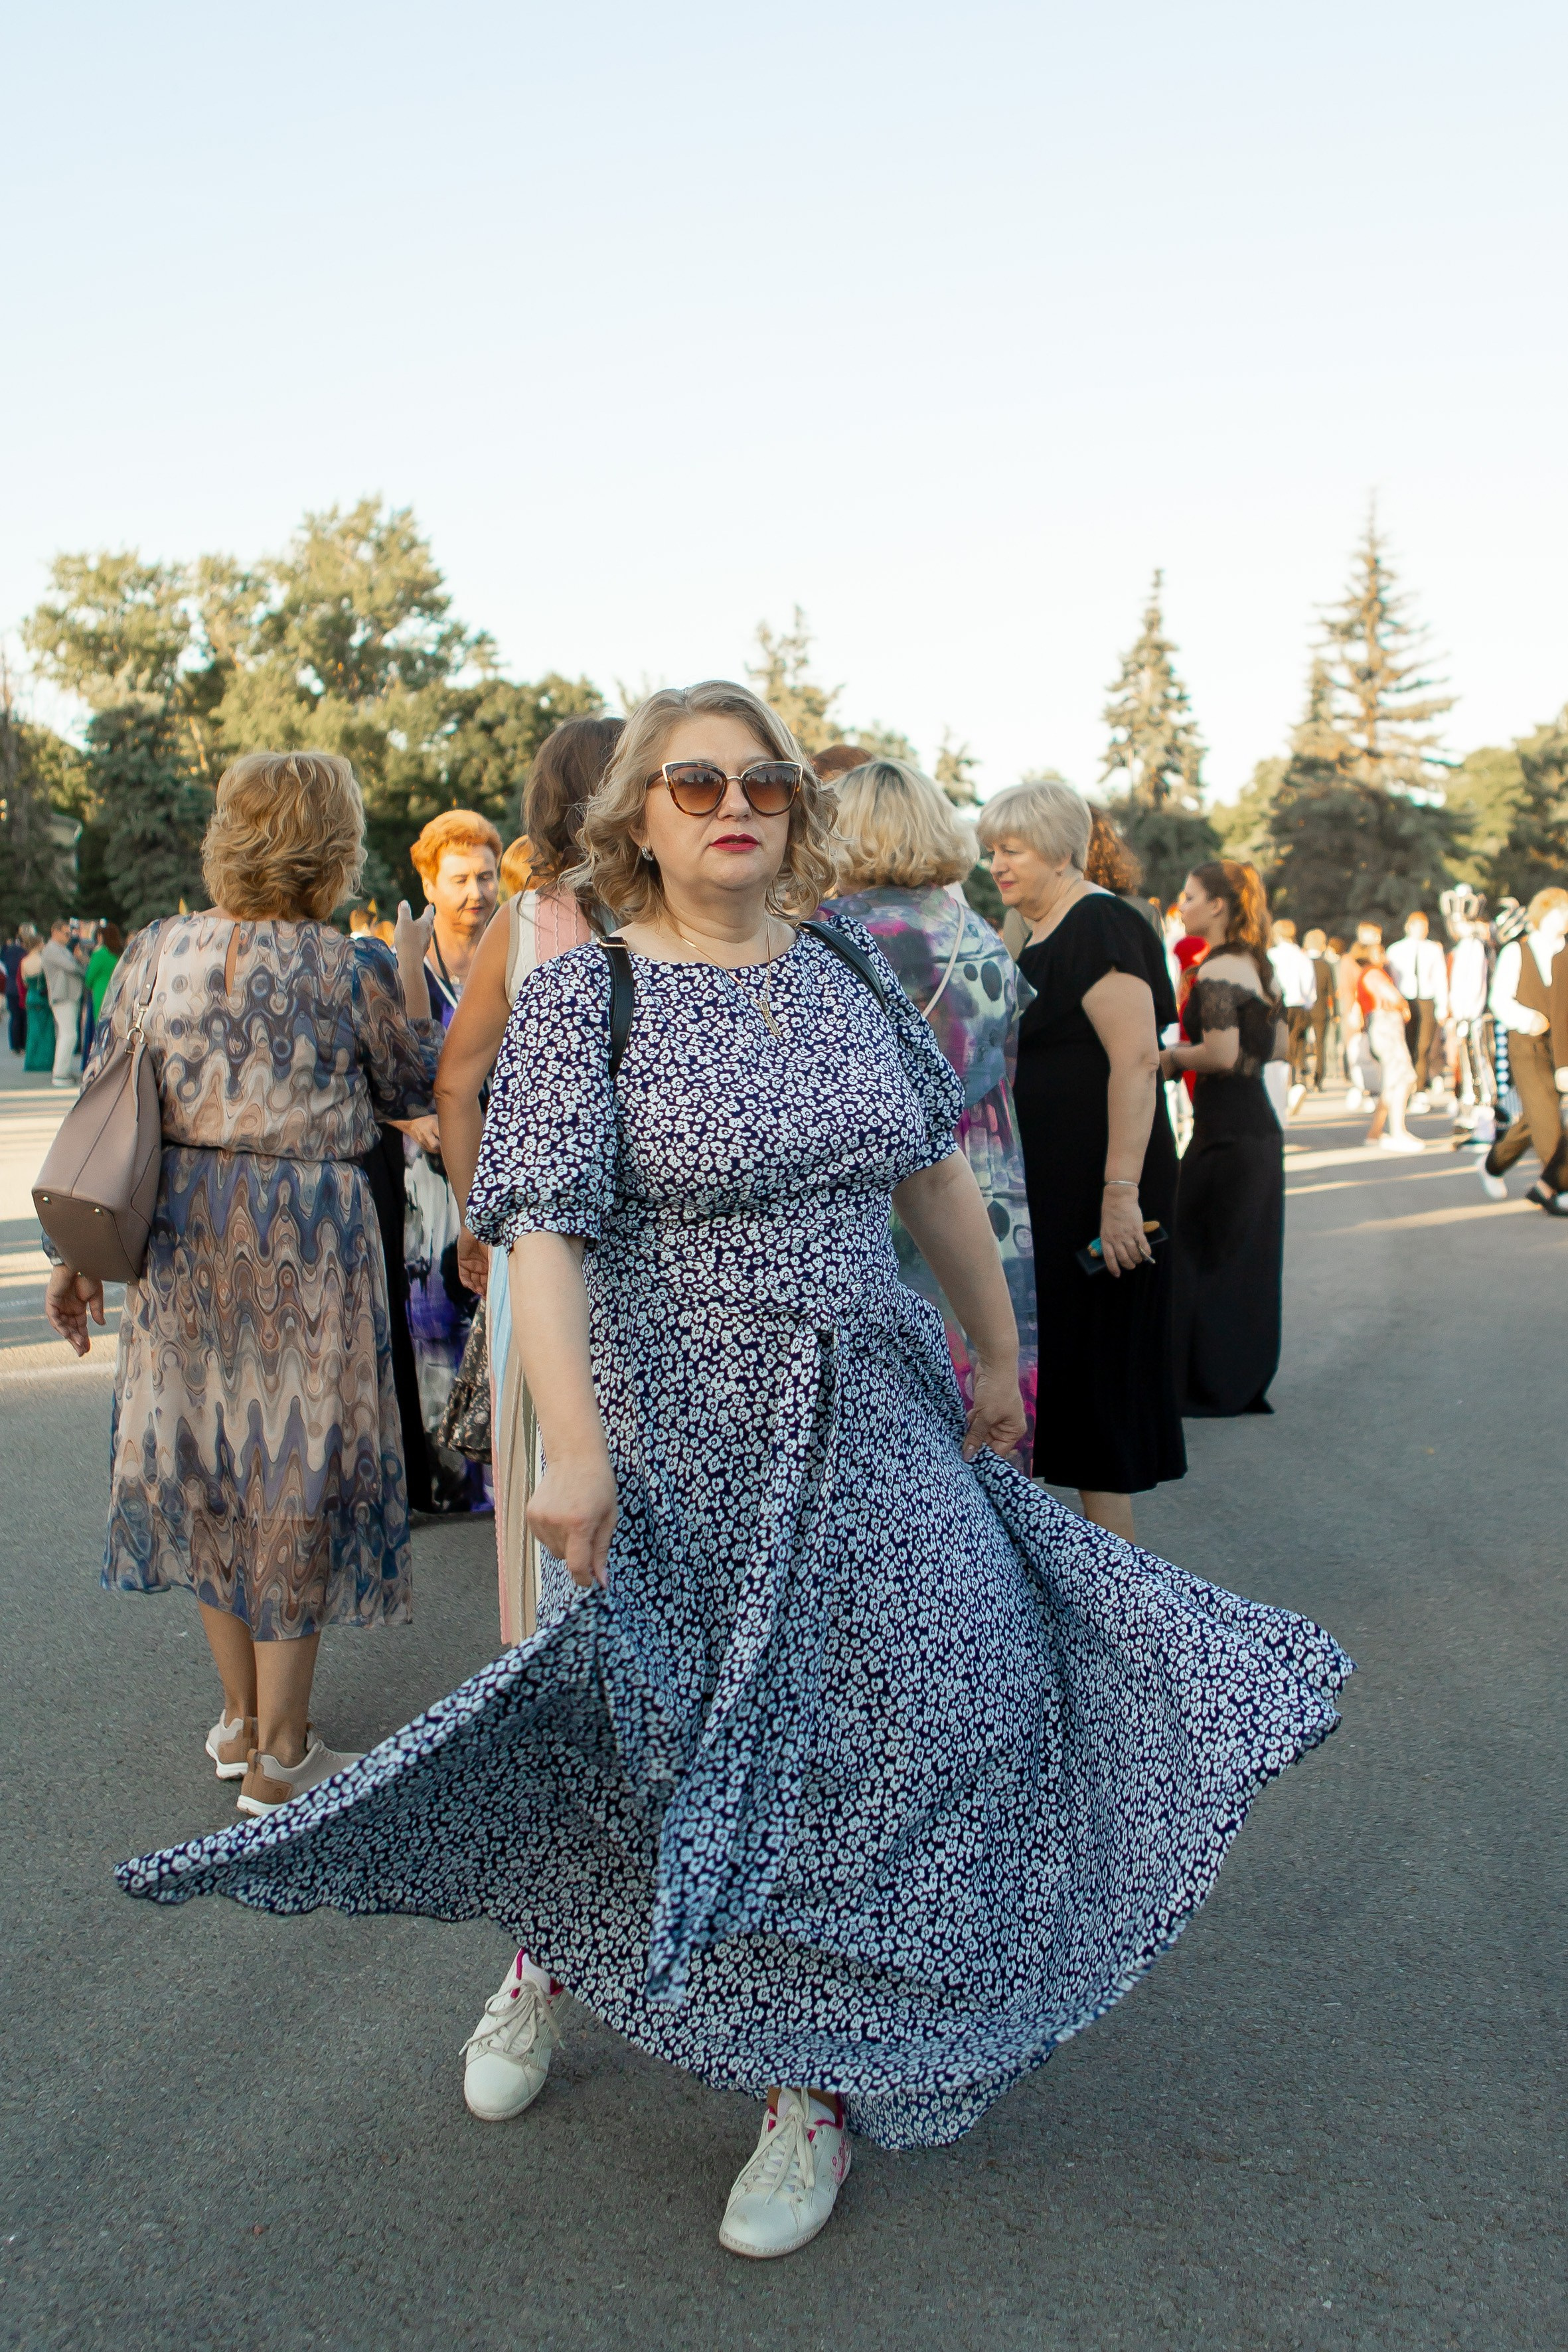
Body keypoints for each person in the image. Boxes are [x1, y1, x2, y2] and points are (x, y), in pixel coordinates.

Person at [118, 681, 1349, 2266]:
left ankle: (808, 2078)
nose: (731, 807)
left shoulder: (841, 963)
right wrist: (567, 1446)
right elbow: (543, 1232)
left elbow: (925, 1170)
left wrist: (988, 1357)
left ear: (795, 809)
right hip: (674, 1432)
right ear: (640, 813)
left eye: (759, 782)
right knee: (664, 1716)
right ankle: (555, 1952)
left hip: (871, 1409)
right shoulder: (594, 998)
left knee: (893, 1712)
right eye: (693, 784)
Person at [44, 750, 441, 1814]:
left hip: (181, 1231)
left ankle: (238, 1717)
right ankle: (283, 1749)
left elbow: (102, 1109)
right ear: (333, 847)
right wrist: (407, 966)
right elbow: (414, 1084)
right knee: (292, 1475)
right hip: (307, 1237)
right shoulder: (347, 966)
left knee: (213, 1465)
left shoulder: (152, 950)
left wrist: (74, 1263)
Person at [435, 715, 626, 1637]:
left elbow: (457, 1081)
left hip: (542, 1233)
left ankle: (546, 1658)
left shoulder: (524, 921)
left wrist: (479, 1213)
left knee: (548, 1452)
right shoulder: (691, 912)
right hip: (673, 1239)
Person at [980, 777, 1184, 1539]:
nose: (997, 864)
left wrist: (1119, 1192)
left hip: (1105, 1188)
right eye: (991, 850)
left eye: (1012, 850)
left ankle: (1121, 1599)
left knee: (1100, 1385)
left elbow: (1136, 1061)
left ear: (1061, 850)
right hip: (1054, 1188)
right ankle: (1088, 1581)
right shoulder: (1030, 928)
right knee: (1067, 1380)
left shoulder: (1102, 923)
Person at [827, 756, 1038, 1469]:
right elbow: (1005, 1071)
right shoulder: (982, 934)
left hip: (883, 1205)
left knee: (886, 1445)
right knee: (987, 1420)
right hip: (988, 1192)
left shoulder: (827, 940)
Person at [398, 809, 503, 1510]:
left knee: (499, 1313)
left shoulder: (515, 950)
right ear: (430, 883)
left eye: (487, 876)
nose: (476, 892)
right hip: (428, 1180)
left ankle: (501, 1464)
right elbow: (369, 1075)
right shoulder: (398, 961)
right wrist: (412, 1118)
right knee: (433, 1318)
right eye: (460, 879)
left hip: (503, 1163)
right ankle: (447, 1478)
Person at [1162, 861, 1287, 1417]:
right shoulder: (1260, 965)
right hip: (1255, 1127)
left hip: (1228, 1133)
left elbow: (1220, 1053)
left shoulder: (1217, 972)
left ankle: (1204, 1380)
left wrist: (1165, 1058)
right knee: (1242, 1259)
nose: (1181, 904)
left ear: (1217, 906)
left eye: (1189, 896)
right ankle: (1234, 1378)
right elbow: (1279, 1046)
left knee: (1192, 1250)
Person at [1479, 886, 1568, 1214]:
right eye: (1564, 909)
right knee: (1548, 1120)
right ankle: (1557, 1191)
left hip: (1560, 1048)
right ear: (1546, 912)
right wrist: (1525, 1018)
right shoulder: (1517, 951)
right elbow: (1499, 1000)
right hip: (1527, 1046)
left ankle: (1493, 1163)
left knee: (1535, 1118)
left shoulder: (1566, 952)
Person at [1354, 946, 1421, 1152]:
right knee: (1403, 1077)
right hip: (1387, 1027)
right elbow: (1392, 996)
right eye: (1378, 951)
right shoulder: (1374, 973)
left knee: (1391, 1080)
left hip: (1381, 1027)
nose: (1383, 954)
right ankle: (1398, 1131)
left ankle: (1375, 1133)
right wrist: (1403, 1005)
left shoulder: (1367, 974)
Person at [1385, 911, 1448, 1110]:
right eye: (1418, 926)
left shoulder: (1433, 949)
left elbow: (1440, 978)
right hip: (1405, 1000)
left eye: (1425, 926)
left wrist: (1443, 1005)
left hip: (1427, 999)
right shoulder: (1396, 950)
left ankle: (1420, 1088)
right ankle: (1405, 1088)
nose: (1422, 930)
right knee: (1406, 1045)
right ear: (1409, 927)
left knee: (1424, 1046)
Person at [1267, 919, 1317, 1113]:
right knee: (1296, 1048)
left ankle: (1284, 1090)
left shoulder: (1272, 955)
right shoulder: (1301, 956)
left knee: (1279, 1048)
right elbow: (1309, 985)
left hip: (1278, 1004)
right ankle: (1296, 1083)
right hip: (1298, 1004)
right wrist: (1308, 1004)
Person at [40, 917, 84, 1087]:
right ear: (55, 932)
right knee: (69, 1035)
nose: (68, 937)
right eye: (65, 933)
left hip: (69, 996)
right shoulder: (52, 949)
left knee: (67, 1035)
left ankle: (62, 1071)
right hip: (62, 996)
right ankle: (60, 1074)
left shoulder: (61, 949)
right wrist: (79, 962)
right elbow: (72, 967)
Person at [81, 919, 122, 1063]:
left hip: (100, 993)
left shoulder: (100, 953)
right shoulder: (119, 953)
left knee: (98, 1029)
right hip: (116, 993)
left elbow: (89, 978)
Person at [1303, 929, 1334, 1091]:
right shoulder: (1325, 965)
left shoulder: (1302, 963)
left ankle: (1301, 1074)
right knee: (1320, 1044)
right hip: (1321, 1008)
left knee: (1301, 1041)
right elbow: (1331, 990)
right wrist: (1334, 1013)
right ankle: (1318, 1079)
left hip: (1303, 1006)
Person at [20, 930, 54, 1070]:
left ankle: (32, 1061)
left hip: (31, 996)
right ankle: (45, 1062)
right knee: (46, 1031)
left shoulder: (25, 961)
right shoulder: (42, 961)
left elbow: (24, 981)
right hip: (42, 997)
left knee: (33, 1031)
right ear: (39, 944)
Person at [3, 925, 33, 1058]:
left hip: (10, 988)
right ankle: (23, 1045)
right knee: (23, 1017)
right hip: (21, 988)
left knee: (14, 1017)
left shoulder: (7, 952)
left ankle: (14, 1045)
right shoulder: (24, 953)